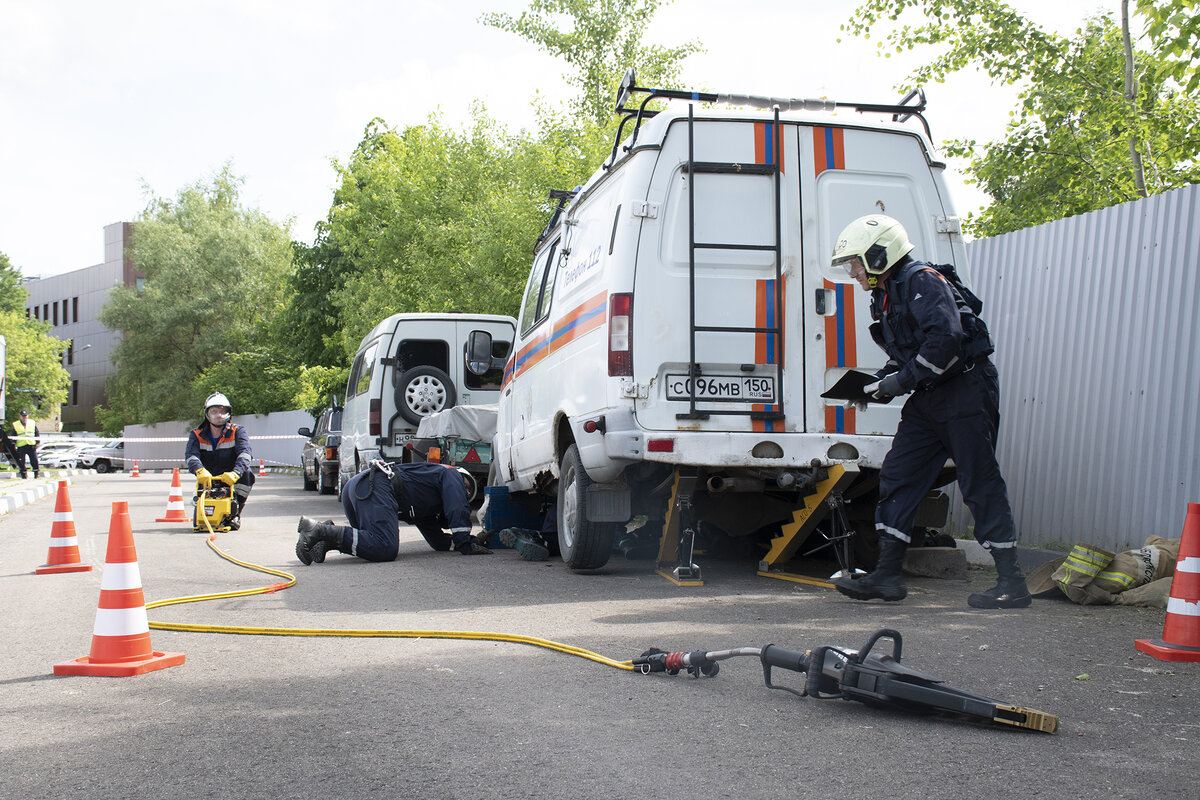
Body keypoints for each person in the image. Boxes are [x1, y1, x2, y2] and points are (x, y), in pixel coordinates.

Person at [829, 214, 1030, 609]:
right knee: (899, 473)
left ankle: (1012, 582)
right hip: (929, 396)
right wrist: (877, 386)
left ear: (878, 255)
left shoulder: (922, 280)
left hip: (965, 392)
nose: (852, 272)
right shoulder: (886, 294)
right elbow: (908, 354)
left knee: (979, 480)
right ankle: (887, 575)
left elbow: (946, 340)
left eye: (854, 262)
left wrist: (898, 382)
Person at [295, 460, 491, 565]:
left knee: (370, 544)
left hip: (360, 487)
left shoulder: (425, 507)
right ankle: (316, 529)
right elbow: (457, 507)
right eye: (465, 488)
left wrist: (471, 541)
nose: (465, 493)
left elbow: (439, 543)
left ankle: (326, 538)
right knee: (384, 547)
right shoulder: (451, 474)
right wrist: (465, 542)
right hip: (376, 485)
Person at [184, 392, 254, 530]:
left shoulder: (237, 431)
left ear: (228, 413)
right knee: (201, 516)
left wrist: (235, 473)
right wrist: (200, 470)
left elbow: (245, 454)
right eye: (214, 411)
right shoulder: (196, 434)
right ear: (207, 414)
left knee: (247, 475)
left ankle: (235, 513)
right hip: (207, 476)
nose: (218, 415)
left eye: (222, 411)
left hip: (231, 476)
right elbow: (191, 456)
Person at [12, 410, 40, 479]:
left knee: (34, 459)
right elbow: (13, 435)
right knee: (21, 461)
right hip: (21, 446)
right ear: (20, 416)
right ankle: (23, 474)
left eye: (25, 416)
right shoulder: (16, 424)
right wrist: (13, 444)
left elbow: (37, 433)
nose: (24, 417)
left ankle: (36, 473)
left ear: (27, 416)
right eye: (23, 416)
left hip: (31, 445)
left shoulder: (32, 423)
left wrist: (37, 442)